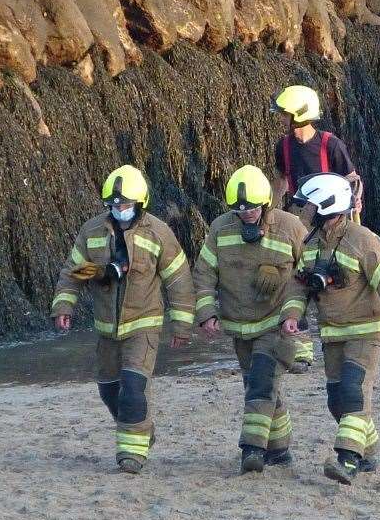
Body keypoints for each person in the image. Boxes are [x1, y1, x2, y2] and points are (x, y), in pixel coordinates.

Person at [51, 165, 194, 474]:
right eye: (113, 205)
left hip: (144, 325)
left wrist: (182, 324)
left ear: (140, 203)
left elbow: (179, 279)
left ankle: (131, 457)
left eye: (125, 204)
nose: (119, 209)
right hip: (105, 329)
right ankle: (141, 429)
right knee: (108, 390)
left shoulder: (158, 233)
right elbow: (73, 273)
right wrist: (64, 306)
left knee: (133, 389)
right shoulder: (91, 232)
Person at [291, 172, 380, 484]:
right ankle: (368, 451)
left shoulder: (363, 241)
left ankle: (348, 460)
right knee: (336, 400)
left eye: (309, 207)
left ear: (326, 207)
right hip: (332, 334)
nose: (304, 212)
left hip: (365, 331)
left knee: (353, 391)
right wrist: (293, 315)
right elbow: (299, 287)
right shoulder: (312, 243)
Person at [193, 165, 310, 475]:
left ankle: (252, 451)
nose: (245, 213)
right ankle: (280, 450)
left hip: (277, 325)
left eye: (252, 207)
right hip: (239, 328)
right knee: (263, 388)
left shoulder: (290, 228)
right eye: (239, 208)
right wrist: (206, 313)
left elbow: (311, 270)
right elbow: (204, 273)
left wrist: (298, 318)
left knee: (260, 384)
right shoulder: (220, 229)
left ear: (266, 204)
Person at [272, 83, 360, 371]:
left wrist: (355, 202)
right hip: (300, 219)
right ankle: (301, 351)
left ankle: (348, 340)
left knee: (338, 278)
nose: (281, 119)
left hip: (333, 219)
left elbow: (352, 179)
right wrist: (271, 213)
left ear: (299, 114)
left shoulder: (329, 144)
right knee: (296, 278)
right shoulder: (283, 146)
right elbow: (283, 181)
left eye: (285, 114)